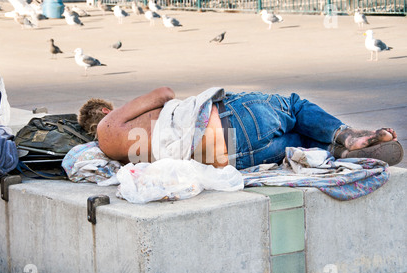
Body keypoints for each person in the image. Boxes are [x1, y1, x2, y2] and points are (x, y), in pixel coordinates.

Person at [79, 87, 403, 169]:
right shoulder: (110, 124)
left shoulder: (113, 153)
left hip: (234, 159)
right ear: (106, 111)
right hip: (230, 121)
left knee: (295, 142)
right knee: (292, 106)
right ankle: (346, 135)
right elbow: (165, 94)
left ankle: (337, 151)